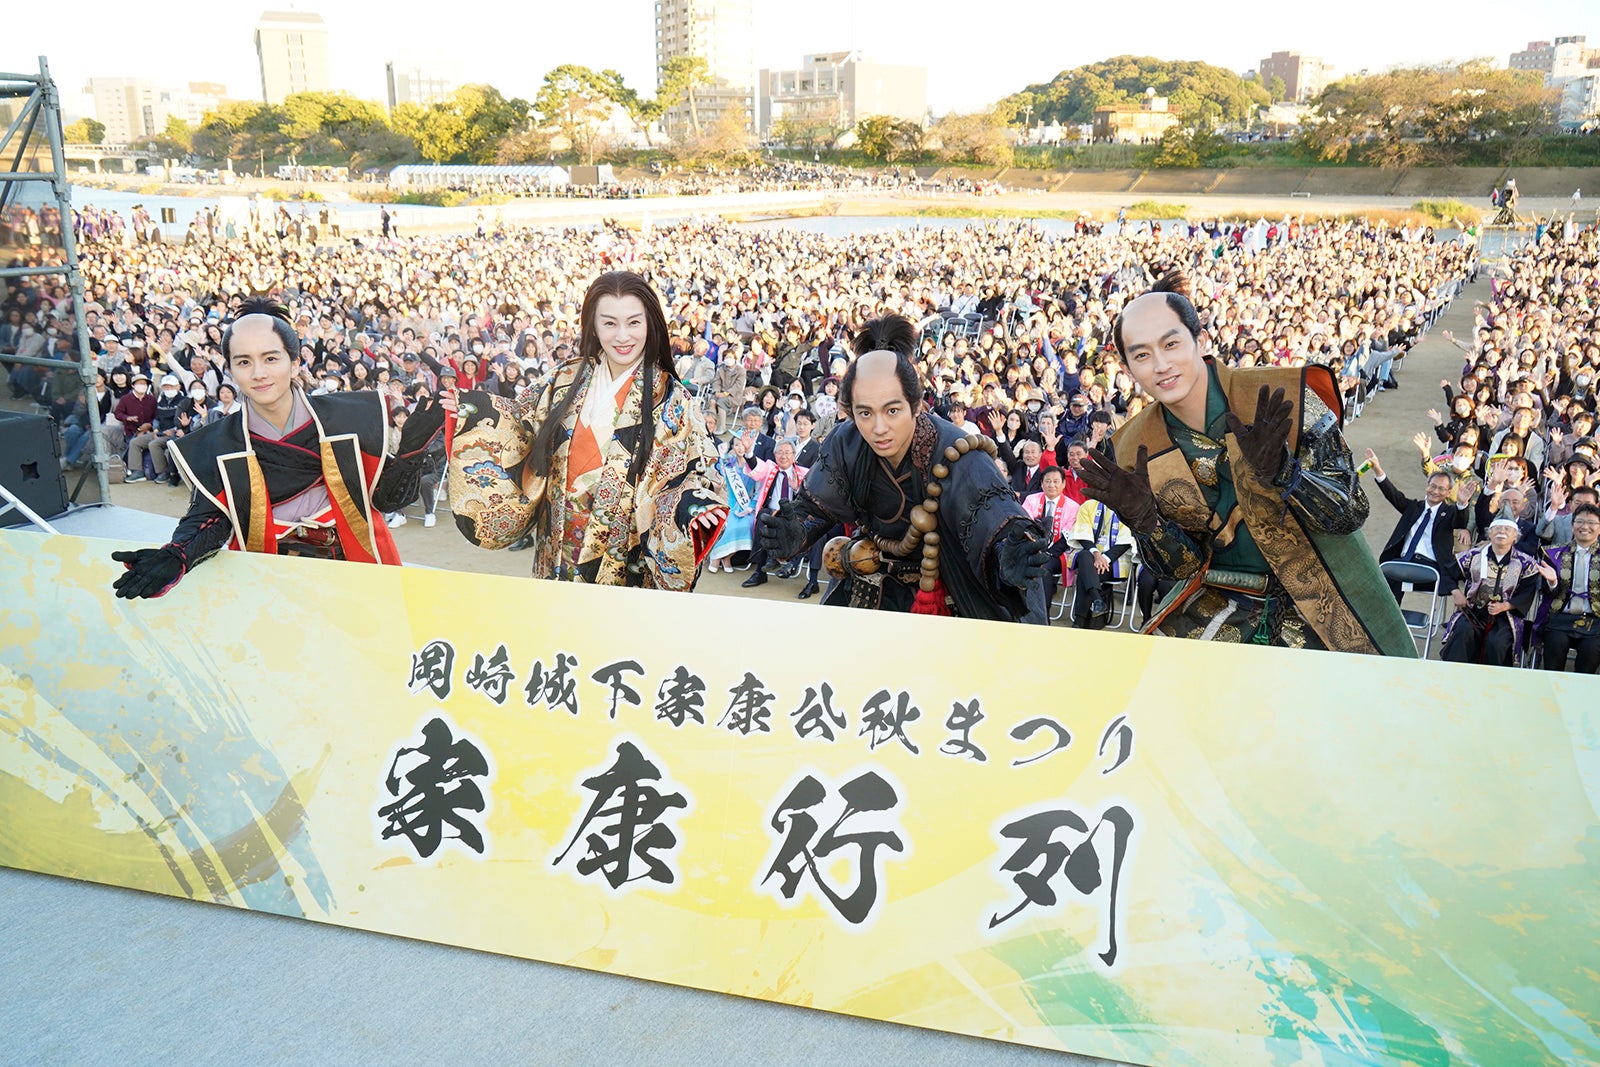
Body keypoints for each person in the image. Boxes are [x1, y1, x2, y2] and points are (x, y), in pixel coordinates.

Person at [1078, 271, 1415, 656]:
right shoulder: (1132, 446)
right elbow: (1183, 566)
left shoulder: (1284, 395)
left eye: (1171, 344)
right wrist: (1145, 522)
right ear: (1125, 369)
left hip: (1326, 597)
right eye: (1141, 355)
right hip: (1219, 601)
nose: (1160, 365)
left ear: (1201, 340)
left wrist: (1288, 476)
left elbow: (1352, 512)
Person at [110, 300, 448, 599]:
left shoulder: (350, 417)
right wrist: (177, 554)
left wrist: (410, 456)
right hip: (268, 574)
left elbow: (389, 500)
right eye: (243, 362)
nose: (259, 373)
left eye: (270, 358)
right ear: (229, 369)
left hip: (355, 563)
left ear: (295, 362)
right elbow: (212, 517)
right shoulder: (218, 442)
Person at [756, 315, 1051, 621]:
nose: (879, 428)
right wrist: (795, 531)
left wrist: (1006, 556)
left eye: (892, 410)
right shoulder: (847, 442)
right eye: (865, 412)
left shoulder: (958, 454)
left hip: (947, 590)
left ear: (916, 404)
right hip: (870, 582)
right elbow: (816, 508)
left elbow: (995, 526)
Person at [446, 271, 728, 589]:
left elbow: (695, 468)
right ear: (593, 324)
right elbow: (517, 425)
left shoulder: (674, 400)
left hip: (622, 565)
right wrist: (473, 413)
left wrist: (689, 506)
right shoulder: (564, 379)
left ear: (650, 323)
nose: (622, 336)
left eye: (634, 322)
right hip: (554, 553)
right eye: (609, 323)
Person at [1366, 451, 1466, 602]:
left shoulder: (1450, 512)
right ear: (1427, 486)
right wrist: (1378, 469)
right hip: (1403, 561)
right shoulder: (1413, 508)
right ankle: (1389, 621)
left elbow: (1460, 522)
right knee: (1381, 583)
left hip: (1430, 566)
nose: (1435, 491)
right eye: (1433, 486)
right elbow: (1392, 495)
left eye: (1441, 489)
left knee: (1396, 576)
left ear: (1448, 492)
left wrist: (1462, 504)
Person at [1440, 517, 1541, 666]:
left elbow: (1526, 593)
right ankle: (1454, 676)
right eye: (1497, 528)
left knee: (1498, 643)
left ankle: (1492, 682)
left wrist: (1505, 606)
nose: (1502, 532)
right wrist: (1457, 593)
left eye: (1507, 529)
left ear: (1515, 537)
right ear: (1490, 534)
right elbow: (1447, 572)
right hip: (1473, 611)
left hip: (1505, 617)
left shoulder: (1526, 563)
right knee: (1463, 632)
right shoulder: (1473, 556)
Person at [1536, 504, 1600, 673]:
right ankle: (1552, 694)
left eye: (1592, 523)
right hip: (1560, 618)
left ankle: (1580, 696)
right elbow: (1546, 593)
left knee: (1591, 651)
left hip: (1595, 621)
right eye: (1579, 521)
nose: (1585, 526)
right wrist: (1552, 582)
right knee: (1555, 645)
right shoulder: (1553, 554)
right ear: (1572, 525)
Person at [740, 438, 809, 587]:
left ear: (794, 455)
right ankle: (760, 572)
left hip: (792, 516)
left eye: (787, 453)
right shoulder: (770, 468)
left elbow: (810, 499)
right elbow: (756, 468)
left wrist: (797, 488)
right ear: (774, 454)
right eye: (779, 453)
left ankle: (777, 560)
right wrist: (748, 451)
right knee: (763, 517)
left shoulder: (803, 473)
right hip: (771, 513)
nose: (783, 456)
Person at [1021, 465, 1080, 609]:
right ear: (1041, 483)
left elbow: (1068, 537)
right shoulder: (1031, 500)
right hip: (1032, 548)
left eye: (1055, 481)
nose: (1051, 485)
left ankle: (1042, 611)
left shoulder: (1073, 506)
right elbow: (1024, 525)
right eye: (1047, 481)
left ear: (1063, 484)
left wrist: (1048, 553)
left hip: (1057, 553)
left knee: (1043, 567)